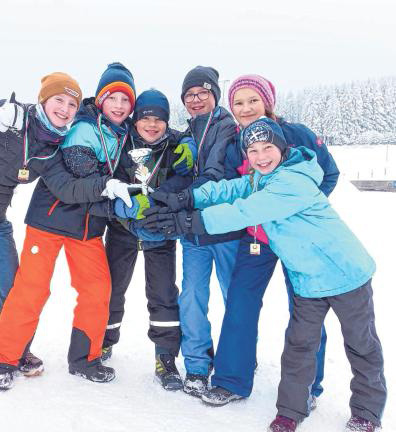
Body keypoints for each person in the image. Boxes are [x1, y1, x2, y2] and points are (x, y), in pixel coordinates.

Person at [140, 117, 386, 432]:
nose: (260, 156)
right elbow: (228, 189)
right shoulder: (261, 178)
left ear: (282, 149)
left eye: (267, 147)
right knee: (299, 347)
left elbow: (244, 211)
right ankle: (290, 411)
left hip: (345, 275)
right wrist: (185, 198)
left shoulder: (292, 181)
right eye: (252, 150)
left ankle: (366, 412)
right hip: (307, 281)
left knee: (361, 344)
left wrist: (186, 223)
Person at [0, 71, 131, 402]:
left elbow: (64, 186)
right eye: (58, 101)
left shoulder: (53, 147)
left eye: (71, 104)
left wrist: (103, 187)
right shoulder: (10, 116)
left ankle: (15, 350)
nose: (64, 109)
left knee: (13, 284)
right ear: (44, 100)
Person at [0, 63, 136, 389]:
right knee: (32, 289)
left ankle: (85, 359)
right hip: (51, 221)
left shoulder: (123, 134)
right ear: (100, 99)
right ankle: (4, 358)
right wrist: (109, 185)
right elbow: (78, 173)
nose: (120, 106)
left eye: (126, 101)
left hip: (89, 228)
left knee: (98, 291)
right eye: (113, 97)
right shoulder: (80, 126)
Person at [195, 74, 340, 406]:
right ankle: (231, 380)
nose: (245, 109)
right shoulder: (235, 143)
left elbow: (328, 173)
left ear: (268, 101)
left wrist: (296, 208)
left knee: (305, 309)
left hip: (297, 238)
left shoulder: (297, 134)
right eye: (238, 103)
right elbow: (234, 190)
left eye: (252, 101)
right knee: (240, 303)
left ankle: (307, 386)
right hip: (256, 238)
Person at [155, 66, 242, 397]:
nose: (195, 100)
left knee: (235, 298)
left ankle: (236, 358)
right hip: (192, 232)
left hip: (225, 227)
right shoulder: (186, 132)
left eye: (202, 93)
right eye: (189, 95)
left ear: (215, 95)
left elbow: (217, 174)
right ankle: (196, 364)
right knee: (191, 296)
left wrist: (178, 198)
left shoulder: (228, 128)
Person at [102, 89, 196, 390]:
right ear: (136, 119)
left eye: (159, 119)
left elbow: (185, 177)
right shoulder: (121, 141)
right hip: (122, 229)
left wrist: (159, 198)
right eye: (146, 118)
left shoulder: (177, 144)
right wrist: (120, 202)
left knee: (163, 295)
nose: (152, 125)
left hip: (160, 232)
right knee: (112, 290)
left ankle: (166, 357)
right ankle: (104, 341)